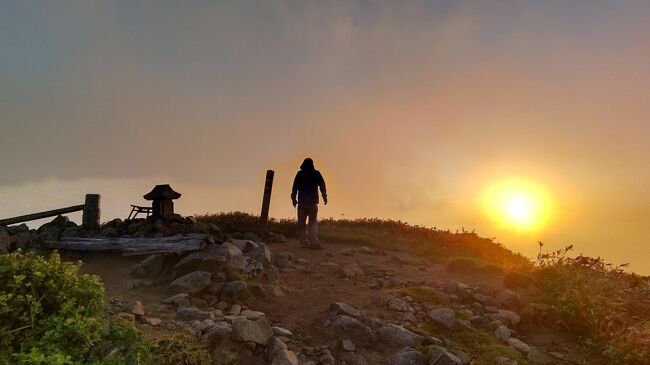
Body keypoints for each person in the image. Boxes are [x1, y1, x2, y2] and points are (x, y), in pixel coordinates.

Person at [291, 158, 327, 248]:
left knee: (301, 223)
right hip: (312, 202)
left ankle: (303, 241)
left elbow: (295, 187)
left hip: (302, 202)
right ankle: (313, 242)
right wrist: (324, 196)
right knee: (313, 222)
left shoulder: (300, 174)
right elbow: (322, 185)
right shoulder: (315, 173)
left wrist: (293, 199)